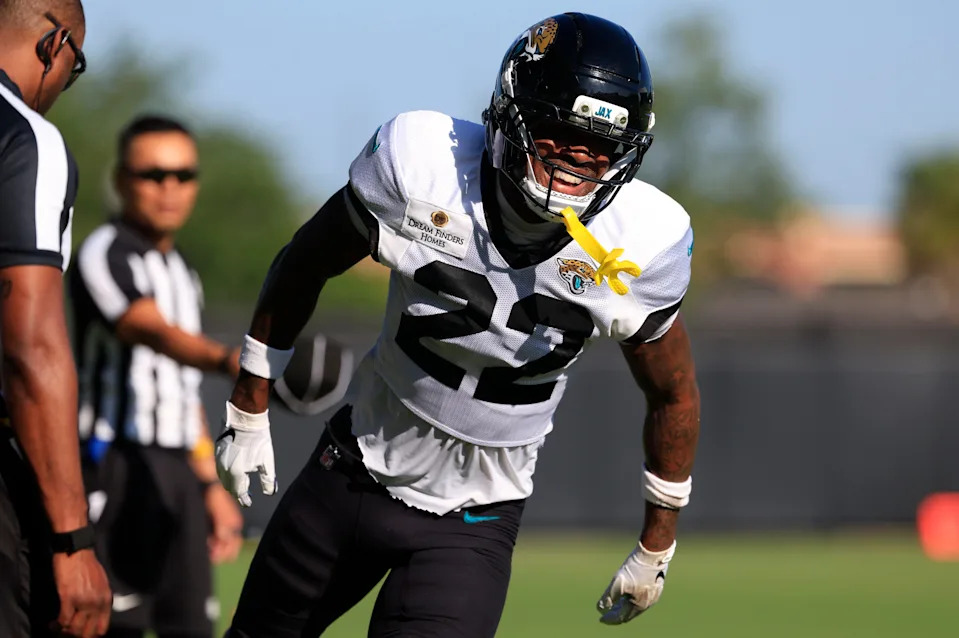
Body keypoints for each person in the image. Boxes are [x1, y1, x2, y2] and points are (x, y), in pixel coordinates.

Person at [218, 12, 701, 637]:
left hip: (475, 518)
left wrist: (656, 546)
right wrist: (248, 404)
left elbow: (673, 393)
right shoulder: (421, 166)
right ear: (510, 113)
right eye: (559, 130)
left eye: (601, 145)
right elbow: (305, 260)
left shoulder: (642, 244)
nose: (579, 160)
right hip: (354, 471)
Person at [69, 115, 245, 638]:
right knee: (110, 627)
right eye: (153, 174)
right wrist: (228, 360)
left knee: (191, 626)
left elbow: (180, 388)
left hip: (178, 474)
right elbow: (147, 330)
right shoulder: (105, 251)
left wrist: (210, 485)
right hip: (113, 463)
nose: (170, 188)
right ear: (122, 180)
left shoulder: (182, 270)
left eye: (183, 175)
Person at [0, 1, 114, 637]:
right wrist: (73, 541)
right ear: (55, 45)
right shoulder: (25, 138)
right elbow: (31, 348)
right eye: (77, 67)